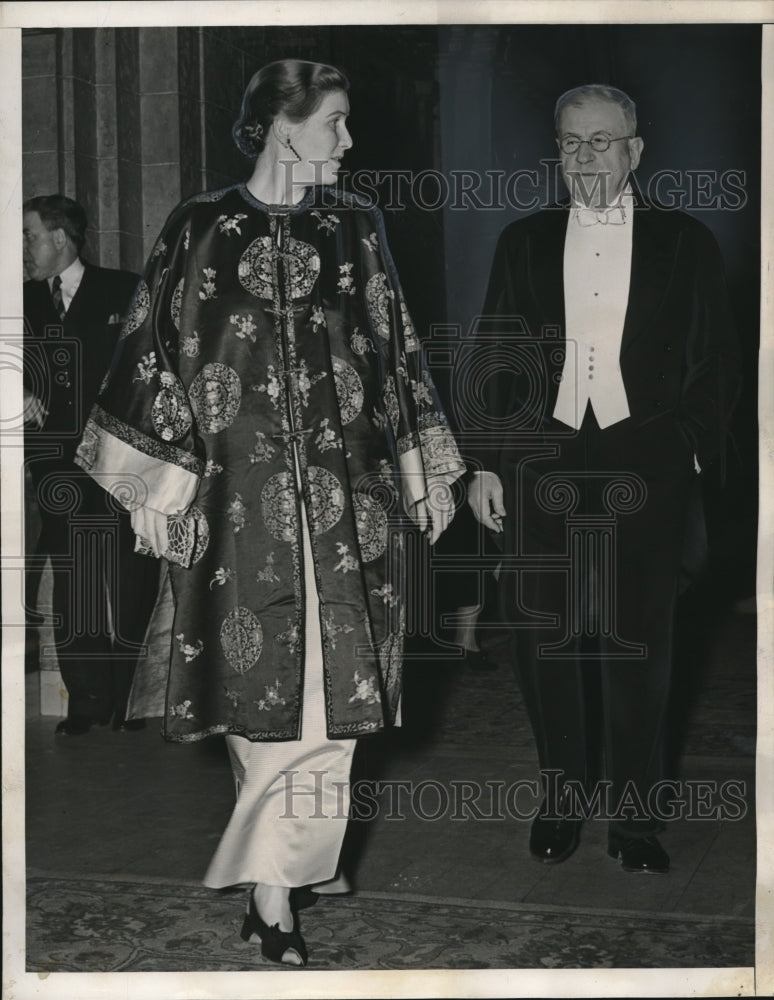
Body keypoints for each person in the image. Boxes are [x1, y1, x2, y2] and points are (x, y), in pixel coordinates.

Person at [74, 59, 464, 966]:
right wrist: (153, 488)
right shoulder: (201, 226)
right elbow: (149, 353)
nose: (349, 141)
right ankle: (276, 877)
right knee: (257, 701)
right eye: (335, 122)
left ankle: (273, 892)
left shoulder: (355, 225)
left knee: (332, 704)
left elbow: (394, 349)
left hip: (349, 512)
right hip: (232, 508)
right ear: (285, 127)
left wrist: (426, 472)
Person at [467, 84, 740, 874]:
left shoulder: (684, 241)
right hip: (540, 465)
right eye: (571, 141)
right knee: (543, 641)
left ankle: (636, 820)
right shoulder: (522, 240)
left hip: (646, 465)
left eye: (602, 140)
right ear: (557, 151)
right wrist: (485, 463)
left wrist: (687, 448)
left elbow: (717, 359)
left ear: (635, 151)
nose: (585, 156)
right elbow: (494, 356)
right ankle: (561, 801)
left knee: (641, 648)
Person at [23, 195, 160, 735]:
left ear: (60, 238)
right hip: (55, 464)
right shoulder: (18, 301)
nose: (23, 248)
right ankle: (87, 700)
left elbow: (152, 365)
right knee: (74, 580)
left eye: (30, 236)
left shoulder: (124, 289)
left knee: (130, 576)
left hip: (119, 460)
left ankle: (129, 700)